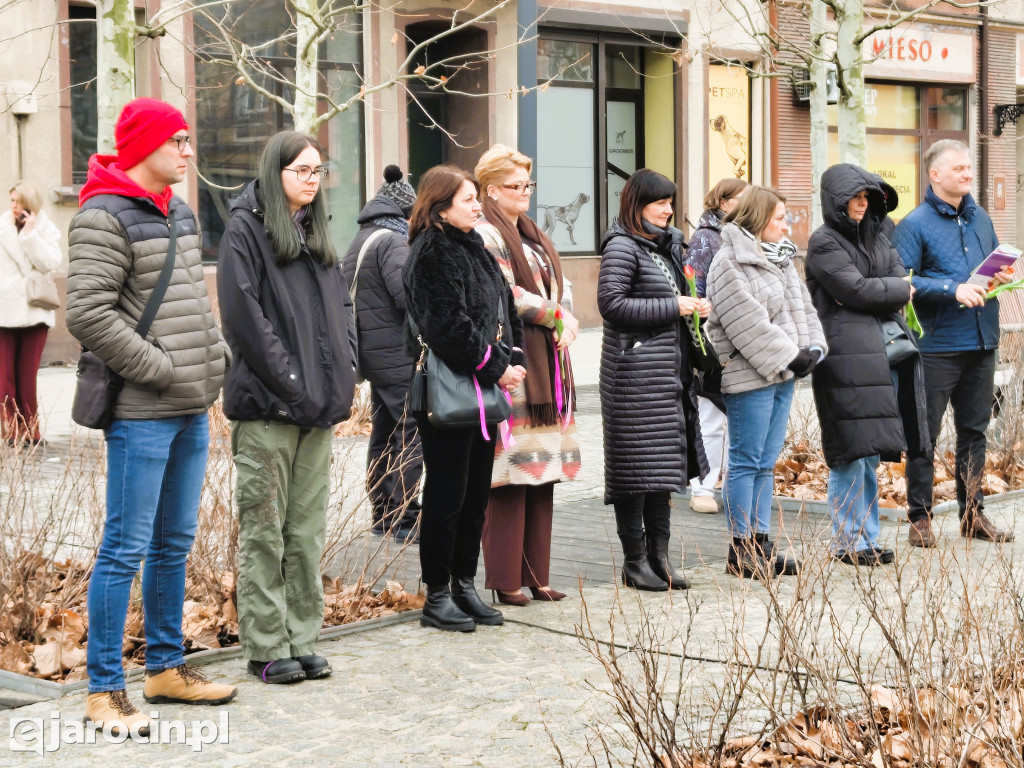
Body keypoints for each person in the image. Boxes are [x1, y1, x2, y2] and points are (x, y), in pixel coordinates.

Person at [66, 97, 236, 735]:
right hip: (142, 411)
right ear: (144, 146)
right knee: (124, 549)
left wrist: (214, 356)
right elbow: (88, 313)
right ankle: (104, 690)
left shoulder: (179, 211)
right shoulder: (102, 216)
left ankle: (165, 669)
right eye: (178, 141)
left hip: (191, 406)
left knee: (173, 544)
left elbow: (190, 296)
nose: (189, 151)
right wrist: (158, 368)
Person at [218, 131, 357, 684]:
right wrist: (292, 380)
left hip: (317, 408)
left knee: (305, 533)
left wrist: (345, 369)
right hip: (268, 408)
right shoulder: (245, 230)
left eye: (318, 170)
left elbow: (342, 309)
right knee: (264, 531)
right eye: (301, 170)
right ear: (274, 172)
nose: (312, 180)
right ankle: (266, 645)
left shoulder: (316, 232)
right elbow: (244, 317)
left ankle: (302, 637)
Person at [403, 164, 526, 630]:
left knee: (475, 494)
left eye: (477, 197)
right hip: (449, 391)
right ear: (440, 207)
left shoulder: (473, 244)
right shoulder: (430, 252)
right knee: (446, 494)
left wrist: (514, 357)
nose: (477, 206)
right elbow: (448, 327)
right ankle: (437, 595)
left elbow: (504, 308)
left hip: (482, 387)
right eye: (468, 199)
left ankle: (464, 585)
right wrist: (497, 367)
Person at [892, 139, 1015, 547]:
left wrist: (1000, 277)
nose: (967, 173)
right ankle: (920, 518)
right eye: (958, 168)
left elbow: (988, 266)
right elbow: (903, 281)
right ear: (935, 174)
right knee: (924, 434)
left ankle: (972, 516)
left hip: (981, 340)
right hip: (936, 346)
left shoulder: (981, 219)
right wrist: (952, 288)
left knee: (974, 432)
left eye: (969, 167)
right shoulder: (914, 224)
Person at [805, 164, 929, 566]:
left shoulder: (879, 236)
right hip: (845, 358)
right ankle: (848, 542)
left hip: (884, 352)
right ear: (836, 201)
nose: (862, 204)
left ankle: (868, 538)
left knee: (871, 451)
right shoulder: (824, 242)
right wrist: (886, 291)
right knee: (849, 451)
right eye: (855, 198)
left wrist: (882, 291)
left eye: (867, 198)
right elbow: (855, 289)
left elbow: (897, 286)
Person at [474, 144, 580, 606]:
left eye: (528, 184)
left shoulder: (530, 232)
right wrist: (556, 314)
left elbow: (558, 286)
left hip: (548, 364)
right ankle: (505, 579)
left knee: (542, 473)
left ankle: (537, 574)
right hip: (517, 363)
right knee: (511, 476)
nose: (525, 192)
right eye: (515, 185)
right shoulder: (485, 232)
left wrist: (565, 315)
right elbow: (506, 292)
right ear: (491, 190)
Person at [705, 185, 827, 579]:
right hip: (748, 375)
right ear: (758, 219)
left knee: (765, 463)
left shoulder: (782, 258)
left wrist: (814, 348)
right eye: (779, 218)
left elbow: (803, 308)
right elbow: (746, 322)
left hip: (783, 372)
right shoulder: (728, 262)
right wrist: (792, 355)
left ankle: (760, 542)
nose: (786, 225)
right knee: (745, 461)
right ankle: (740, 549)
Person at [598, 168, 709, 591]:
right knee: (634, 471)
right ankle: (634, 561)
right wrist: (674, 307)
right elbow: (612, 304)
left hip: (666, 375)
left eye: (670, 202)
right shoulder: (622, 246)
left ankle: (659, 557)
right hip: (633, 376)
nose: (668, 210)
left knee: (662, 470)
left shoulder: (664, 247)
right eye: (660, 202)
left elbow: (670, 301)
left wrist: (695, 307)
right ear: (637, 204)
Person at [342, 165, 422, 542]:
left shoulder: (364, 235)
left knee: (385, 430)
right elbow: (408, 296)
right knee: (411, 429)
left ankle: (382, 512)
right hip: (395, 352)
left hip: (372, 352)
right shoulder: (392, 241)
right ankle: (404, 517)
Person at [685, 178, 748, 514]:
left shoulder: (744, 234)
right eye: (741, 198)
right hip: (714, 341)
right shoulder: (706, 238)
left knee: (732, 418)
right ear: (723, 202)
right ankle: (702, 488)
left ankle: (723, 482)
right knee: (709, 416)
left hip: (743, 339)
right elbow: (694, 290)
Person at [0, 181, 62, 445]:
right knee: (4, 377)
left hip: (35, 310)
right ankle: (11, 430)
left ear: (29, 203)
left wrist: (30, 234)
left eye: (18, 201)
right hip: (5, 310)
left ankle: (31, 430)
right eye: (12, 200)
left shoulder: (45, 228)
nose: (13, 205)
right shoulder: (2, 227)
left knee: (28, 377)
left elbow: (51, 263)